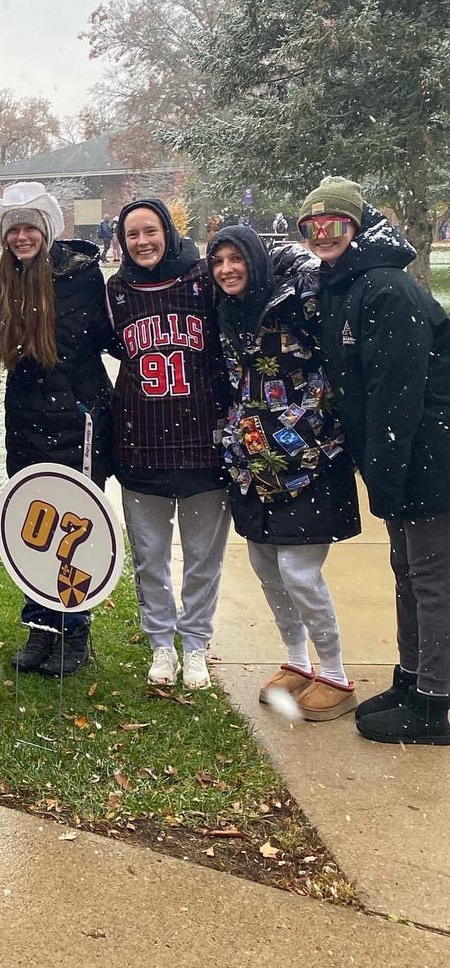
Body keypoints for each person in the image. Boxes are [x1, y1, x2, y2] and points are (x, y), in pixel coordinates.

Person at [297, 177, 450, 744]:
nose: (322, 236)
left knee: (431, 577)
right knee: (407, 572)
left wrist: (385, 475)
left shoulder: (385, 289)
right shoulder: (345, 285)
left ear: (357, 228)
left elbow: (396, 395)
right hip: (400, 455)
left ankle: (434, 705)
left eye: (334, 225)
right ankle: (412, 680)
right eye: (311, 227)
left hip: (428, 455)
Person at [208, 225, 360, 720]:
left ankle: (334, 671)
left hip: (309, 459)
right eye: (218, 261)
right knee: (267, 569)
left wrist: (321, 426)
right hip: (251, 462)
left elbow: (339, 355)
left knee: (300, 572)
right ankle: (297, 661)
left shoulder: (300, 297)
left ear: (255, 259)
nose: (227, 269)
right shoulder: (226, 310)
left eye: (237, 259)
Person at [106, 198, 230, 690]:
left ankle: (196, 644)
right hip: (142, 443)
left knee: (203, 558)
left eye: (150, 231)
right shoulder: (116, 292)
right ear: (122, 240)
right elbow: (116, 348)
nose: (142, 242)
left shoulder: (202, 280)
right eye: (132, 234)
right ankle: (161, 644)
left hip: (204, 442)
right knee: (150, 558)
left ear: (168, 231)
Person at [0, 183, 114, 677]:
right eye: (13, 230)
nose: (22, 237)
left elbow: (101, 338)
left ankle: (75, 630)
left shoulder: (82, 277)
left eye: (30, 228)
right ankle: (41, 628)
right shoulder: (3, 280)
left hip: (78, 416)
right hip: (25, 417)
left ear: (46, 229)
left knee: (75, 526)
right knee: (33, 523)